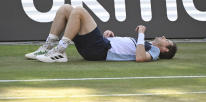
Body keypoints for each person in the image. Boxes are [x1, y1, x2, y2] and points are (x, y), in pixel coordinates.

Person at [25, 4, 177, 63]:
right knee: (66, 9)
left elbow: (139, 57)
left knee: (78, 11)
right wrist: (112, 36)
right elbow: (125, 49)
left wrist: (142, 34)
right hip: (100, 46)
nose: (163, 37)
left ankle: (59, 50)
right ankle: (48, 47)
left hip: (99, 50)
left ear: (165, 50)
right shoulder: (147, 45)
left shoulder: (155, 51)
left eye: (167, 41)